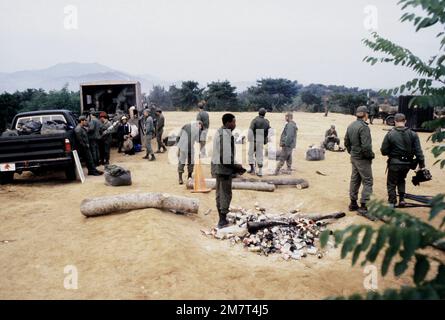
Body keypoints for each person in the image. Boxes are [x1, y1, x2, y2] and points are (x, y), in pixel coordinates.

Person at [381, 113, 426, 208]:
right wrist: (422, 165)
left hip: (394, 163)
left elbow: (383, 151)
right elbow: (419, 152)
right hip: (407, 164)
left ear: (395, 121)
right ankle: (402, 199)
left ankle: (392, 203)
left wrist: (391, 152)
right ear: (405, 121)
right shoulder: (413, 134)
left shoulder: (390, 134)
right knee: (401, 179)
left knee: (391, 183)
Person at [212, 113, 247, 228]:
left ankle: (222, 218)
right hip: (224, 170)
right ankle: (222, 221)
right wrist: (238, 167)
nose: (235, 124)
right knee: (225, 195)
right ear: (228, 123)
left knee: (219, 194)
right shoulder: (225, 135)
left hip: (218, 168)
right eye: (234, 122)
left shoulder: (219, 132)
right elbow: (226, 159)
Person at [344, 106, 375, 217]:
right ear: (365, 115)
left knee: (355, 179)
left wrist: (352, 152)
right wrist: (370, 156)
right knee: (367, 181)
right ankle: (364, 206)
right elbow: (366, 146)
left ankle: (353, 203)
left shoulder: (351, 125)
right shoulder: (364, 127)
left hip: (354, 157)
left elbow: (346, 142)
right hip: (362, 158)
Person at [247, 108, 270, 177]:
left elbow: (250, 130)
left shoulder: (255, 120)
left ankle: (252, 169)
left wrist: (249, 138)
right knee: (259, 155)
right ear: (265, 114)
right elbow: (267, 132)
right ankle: (260, 172)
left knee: (250, 154)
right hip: (260, 140)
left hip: (253, 140)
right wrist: (265, 140)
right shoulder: (267, 122)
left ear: (258, 113)